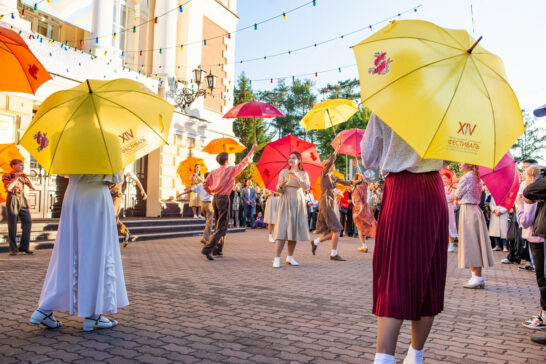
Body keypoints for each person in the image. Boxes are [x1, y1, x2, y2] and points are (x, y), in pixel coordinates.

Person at [361, 113, 448, 364]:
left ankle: (384, 360)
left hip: (401, 189)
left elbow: (369, 157)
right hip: (433, 187)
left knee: (394, 277)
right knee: (430, 278)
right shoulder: (442, 102)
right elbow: (451, 153)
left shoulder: (387, 103)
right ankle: (415, 356)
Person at [30, 174, 128, 331]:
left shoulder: (68, 149)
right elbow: (114, 178)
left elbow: (63, 172)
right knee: (96, 252)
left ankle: (44, 309)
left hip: (73, 194)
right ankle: (94, 315)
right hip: (95, 198)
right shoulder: (104, 150)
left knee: (68, 253)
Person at [202, 144, 257, 260]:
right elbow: (244, 162)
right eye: (230, 158)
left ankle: (218, 249)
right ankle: (208, 248)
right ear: (227, 160)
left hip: (215, 199)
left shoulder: (213, 171)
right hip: (224, 199)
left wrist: (211, 191)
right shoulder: (230, 170)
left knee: (218, 224)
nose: (231, 160)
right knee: (222, 226)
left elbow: (205, 184)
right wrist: (252, 149)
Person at [456, 163, 495, 289]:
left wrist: (455, 184)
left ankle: (477, 277)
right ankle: (476, 276)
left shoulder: (466, 177)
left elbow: (457, 195)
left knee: (471, 243)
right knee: (475, 243)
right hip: (474, 210)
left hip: (467, 210)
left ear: (469, 163)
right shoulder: (476, 177)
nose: (459, 164)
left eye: (461, 162)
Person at [310, 152, 354, 261]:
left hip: (332, 202)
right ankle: (333, 254)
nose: (333, 165)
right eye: (331, 164)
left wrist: (356, 181)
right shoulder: (324, 174)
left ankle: (315, 242)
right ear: (326, 166)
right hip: (326, 203)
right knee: (337, 229)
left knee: (334, 231)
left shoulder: (332, 176)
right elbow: (330, 162)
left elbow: (344, 182)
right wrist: (336, 150)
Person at [517, 165, 545, 330]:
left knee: (542, 278)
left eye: (526, 176)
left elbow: (525, 221)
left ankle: (544, 315)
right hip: (539, 236)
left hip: (537, 238)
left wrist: (519, 205)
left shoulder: (532, 195)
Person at [273, 152, 310, 268]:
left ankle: (290, 257)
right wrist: (281, 185)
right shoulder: (284, 172)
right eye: (289, 158)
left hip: (298, 201)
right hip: (286, 200)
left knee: (293, 230)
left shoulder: (304, 173)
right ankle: (277, 259)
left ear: (299, 160)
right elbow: (278, 189)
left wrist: (297, 177)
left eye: (293, 158)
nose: (291, 160)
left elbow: (306, 187)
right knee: (282, 229)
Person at [2, 159, 35, 255]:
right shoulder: (7, 175)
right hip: (12, 197)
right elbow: (8, 188)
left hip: (22, 198)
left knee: (28, 221)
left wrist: (27, 179)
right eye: (20, 165)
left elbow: (34, 187)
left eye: (23, 165)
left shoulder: (23, 176)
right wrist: (15, 178)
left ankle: (24, 246)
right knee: (12, 223)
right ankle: (13, 248)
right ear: (13, 166)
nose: (23, 167)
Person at [109, 168, 147, 246]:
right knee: (110, 217)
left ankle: (125, 233)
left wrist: (142, 191)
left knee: (112, 216)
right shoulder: (108, 166)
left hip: (116, 195)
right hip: (106, 194)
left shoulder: (124, 169)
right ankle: (126, 233)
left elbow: (135, 179)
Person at [177, 173, 213, 245]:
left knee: (207, 222)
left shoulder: (200, 185)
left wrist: (181, 194)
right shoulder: (210, 184)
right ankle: (205, 238)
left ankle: (207, 237)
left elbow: (190, 190)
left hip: (202, 205)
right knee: (209, 223)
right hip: (209, 204)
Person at [351, 173, 376, 253]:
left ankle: (364, 246)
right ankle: (379, 242)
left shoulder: (357, 190)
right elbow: (364, 178)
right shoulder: (364, 186)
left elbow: (358, 203)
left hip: (361, 210)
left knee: (360, 227)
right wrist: (358, 166)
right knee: (371, 224)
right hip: (367, 209)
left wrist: (357, 213)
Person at [442, 173, 458, 253]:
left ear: (449, 179)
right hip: (441, 207)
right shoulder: (441, 187)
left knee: (449, 226)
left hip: (449, 208)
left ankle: (451, 244)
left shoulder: (453, 188)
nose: (443, 180)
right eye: (442, 178)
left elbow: (452, 197)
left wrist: (443, 196)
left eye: (445, 178)